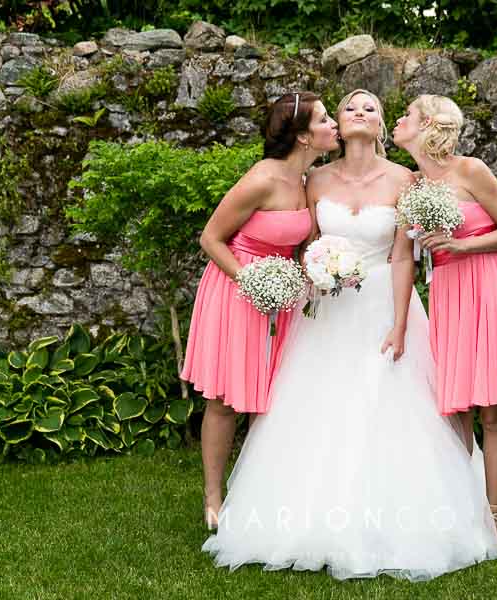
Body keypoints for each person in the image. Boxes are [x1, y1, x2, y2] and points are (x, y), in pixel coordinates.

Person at [201, 89, 497, 580]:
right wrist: (318, 271)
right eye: (348, 107)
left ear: (382, 126)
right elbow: (305, 244)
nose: (359, 112)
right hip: (327, 308)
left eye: (371, 108)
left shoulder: (406, 180)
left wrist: (400, 324)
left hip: (384, 302)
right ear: (336, 127)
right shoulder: (313, 181)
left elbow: (403, 255)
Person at [180, 92, 339, 530]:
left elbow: (303, 242)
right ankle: (213, 498)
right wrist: (250, 280)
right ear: (303, 136)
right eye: (324, 119)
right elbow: (211, 238)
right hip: (237, 291)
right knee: (226, 398)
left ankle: (261, 495)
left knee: (272, 399)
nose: (333, 125)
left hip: (283, 296)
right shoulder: (262, 179)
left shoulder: (307, 181)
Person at [392, 94, 497, 529]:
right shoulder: (412, 186)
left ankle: (493, 513)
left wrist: (461, 245)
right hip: (447, 293)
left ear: (428, 125)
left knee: (492, 409)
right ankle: (462, 503)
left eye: (408, 114)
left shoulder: (471, 170)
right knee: (454, 406)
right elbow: (402, 253)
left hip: (487, 286)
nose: (399, 120)